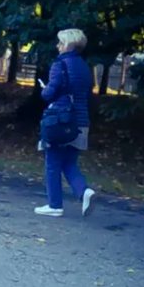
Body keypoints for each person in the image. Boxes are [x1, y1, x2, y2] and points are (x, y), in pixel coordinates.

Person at [35, 28, 95, 217]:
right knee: (69, 161)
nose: (58, 46)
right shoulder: (85, 67)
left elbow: (50, 93)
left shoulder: (59, 64)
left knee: (52, 162)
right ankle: (83, 190)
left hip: (60, 120)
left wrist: (44, 90)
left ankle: (55, 205)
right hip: (81, 121)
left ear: (68, 44)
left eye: (60, 43)